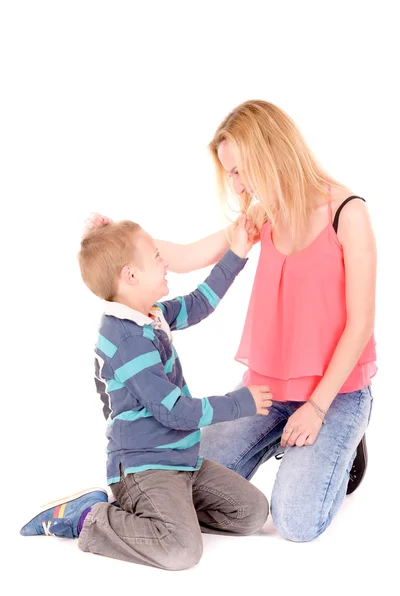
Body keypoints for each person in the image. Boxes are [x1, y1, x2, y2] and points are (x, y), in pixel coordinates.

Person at [84, 99, 377, 542]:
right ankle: (285, 431)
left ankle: (345, 442)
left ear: (269, 154)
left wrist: (316, 409)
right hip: (271, 389)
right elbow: (181, 257)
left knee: (296, 523)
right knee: (189, 476)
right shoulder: (264, 215)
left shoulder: (347, 213)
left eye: (239, 171)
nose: (237, 186)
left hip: (335, 392)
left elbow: (361, 324)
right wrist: (117, 246)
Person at [20, 217, 272, 570]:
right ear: (131, 276)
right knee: (182, 550)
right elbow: (174, 411)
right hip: (145, 468)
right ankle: (89, 518)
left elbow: (200, 303)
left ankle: (164, 516)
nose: (165, 261)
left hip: (181, 462)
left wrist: (237, 252)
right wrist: (239, 403)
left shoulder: (149, 316)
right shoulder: (126, 338)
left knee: (252, 512)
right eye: (156, 256)